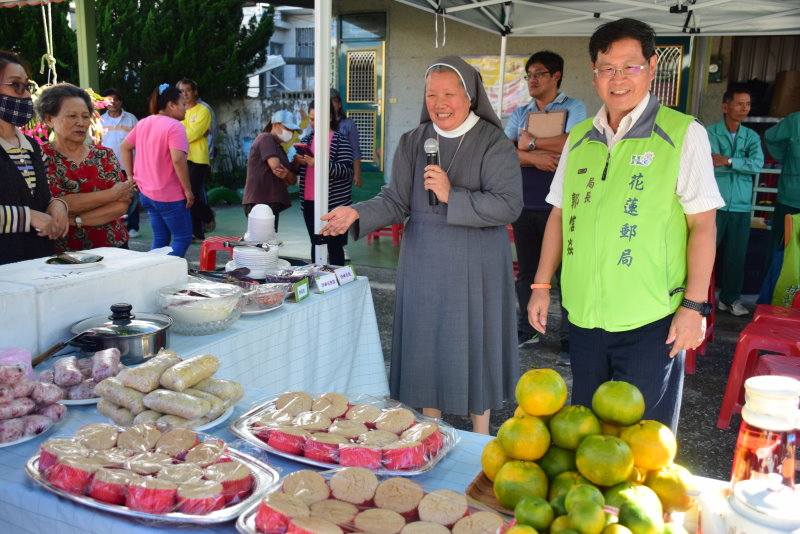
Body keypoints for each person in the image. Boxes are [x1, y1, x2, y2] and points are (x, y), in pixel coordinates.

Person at [527, 18, 723, 433]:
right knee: (586, 432)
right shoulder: (579, 137)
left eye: (630, 66)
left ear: (652, 66)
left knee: (642, 439)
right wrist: (542, 286)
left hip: (652, 318)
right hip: (583, 316)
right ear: (594, 73)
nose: (618, 79)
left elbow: (703, 226)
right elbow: (560, 215)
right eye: (607, 68)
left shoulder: (683, 133)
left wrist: (694, 306)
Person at [319, 56, 523, 434]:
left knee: (473, 341)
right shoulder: (414, 141)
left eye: (449, 93)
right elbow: (395, 200)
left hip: (477, 257)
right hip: (425, 255)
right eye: (432, 94)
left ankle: (480, 430)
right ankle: (431, 426)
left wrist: (452, 195)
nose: (439, 103)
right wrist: (357, 214)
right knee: (429, 339)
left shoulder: (492, 141)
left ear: (471, 96)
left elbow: (508, 205)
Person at [504, 50, 586, 364]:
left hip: (563, 203)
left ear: (556, 76)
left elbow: (574, 142)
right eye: (528, 75)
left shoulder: (574, 107)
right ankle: (528, 328)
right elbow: (505, 149)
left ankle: (569, 338)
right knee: (527, 271)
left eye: (538, 74)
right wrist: (535, 156)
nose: (532, 81)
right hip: (525, 200)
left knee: (566, 274)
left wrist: (531, 143)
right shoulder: (520, 111)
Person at [37, 83, 133, 253]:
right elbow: (55, 204)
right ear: (49, 119)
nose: (81, 123)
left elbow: (121, 205)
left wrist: (75, 220)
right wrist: (111, 194)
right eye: (72, 116)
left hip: (113, 248)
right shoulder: (41, 157)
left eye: (85, 116)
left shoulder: (104, 155)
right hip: (64, 252)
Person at [0, 50, 68, 264]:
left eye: (26, 86)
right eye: (15, 85)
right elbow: (30, 210)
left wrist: (57, 205)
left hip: (38, 264)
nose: (26, 95)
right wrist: (28, 217)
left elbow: (45, 192)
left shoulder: (33, 147)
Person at [707, 87, 764, 316]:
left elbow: (756, 164)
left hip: (740, 204)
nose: (744, 109)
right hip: (714, 203)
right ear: (725, 107)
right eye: (739, 103)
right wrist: (741, 163)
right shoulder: (709, 133)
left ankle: (730, 299)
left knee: (736, 257)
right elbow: (708, 161)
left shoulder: (751, 136)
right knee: (707, 253)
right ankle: (701, 298)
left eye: (747, 104)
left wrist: (729, 161)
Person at [119, 84, 194, 257]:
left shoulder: (144, 122)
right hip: (169, 195)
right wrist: (188, 190)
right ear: (171, 105)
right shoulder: (175, 126)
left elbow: (124, 147)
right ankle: (161, 275)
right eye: (183, 104)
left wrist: (131, 176)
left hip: (147, 195)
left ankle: (151, 273)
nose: (186, 109)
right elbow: (178, 159)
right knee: (182, 239)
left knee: (160, 239)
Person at [295, 99, 354, 266]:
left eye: (315, 119)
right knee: (316, 242)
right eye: (311, 119)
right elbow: (299, 169)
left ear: (328, 117)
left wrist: (318, 164)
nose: (312, 123)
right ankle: (317, 277)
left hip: (334, 203)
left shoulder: (340, 140)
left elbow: (346, 170)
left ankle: (337, 282)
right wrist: (297, 163)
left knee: (335, 245)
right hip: (309, 200)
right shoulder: (306, 140)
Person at [242, 109, 300, 228]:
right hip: (260, 202)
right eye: (288, 128)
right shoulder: (265, 138)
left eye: (293, 131)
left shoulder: (278, 147)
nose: (291, 133)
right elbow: (277, 168)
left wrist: (289, 172)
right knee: (262, 242)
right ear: (275, 124)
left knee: (268, 241)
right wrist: (287, 175)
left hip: (270, 203)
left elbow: (292, 180)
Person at [177, 78, 215, 241]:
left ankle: (207, 215)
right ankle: (197, 232)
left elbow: (193, 133)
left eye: (188, 90)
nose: (185, 94)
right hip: (180, 157)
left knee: (190, 194)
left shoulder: (203, 110)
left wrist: (177, 135)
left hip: (198, 159)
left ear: (195, 92)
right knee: (188, 194)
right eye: (182, 90)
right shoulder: (178, 110)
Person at [100, 88, 140, 237]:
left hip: (129, 165)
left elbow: (139, 142)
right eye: (109, 100)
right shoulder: (100, 120)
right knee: (111, 196)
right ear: (104, 103)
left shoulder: (131, 119)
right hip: (108, 166)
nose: (113, 103)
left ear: (121, 101)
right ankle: (114, 225)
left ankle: (133, 227)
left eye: (116, 99)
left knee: (132, 196)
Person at [764, 111, 800, 269]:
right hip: (789, 199)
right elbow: (770, 137)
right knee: (778, 248)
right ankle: (772, 290)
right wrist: (787, 159)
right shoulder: (795, 120)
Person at [331, 89, 363, 188]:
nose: (330, 105)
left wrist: (357, 174)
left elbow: (355, 149)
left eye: (333, 101)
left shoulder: (349, 124)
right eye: (328, 101)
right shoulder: (315, 123)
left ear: (339, 104)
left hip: (343, 171)